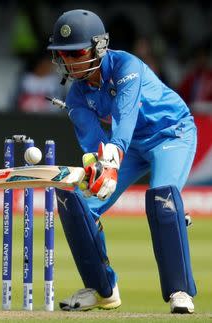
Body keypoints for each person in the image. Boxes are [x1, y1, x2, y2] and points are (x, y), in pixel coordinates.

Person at [47, 10, 197, 314]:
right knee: (79, 204)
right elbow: (92, 145)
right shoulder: (76, 97)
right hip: (129, 148)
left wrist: (112, 159)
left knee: (162, 198)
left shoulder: (127, 65)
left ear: (99, 47)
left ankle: (180, 291)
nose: (70, 61)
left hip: (171, 133)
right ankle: (102, 289)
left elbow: (124, 118)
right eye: (64, 54)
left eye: (77, 53)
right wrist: (99, 168)